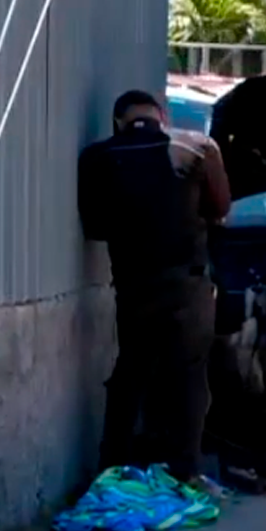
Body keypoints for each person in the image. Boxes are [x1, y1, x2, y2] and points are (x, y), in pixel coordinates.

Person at [77, 90, 231, 493]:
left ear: (118, 122)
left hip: (134, 283)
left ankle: (110, 469)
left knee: (131, 372)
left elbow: (94, 226)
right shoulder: (198, 147)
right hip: (189, 282)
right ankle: (185, 472)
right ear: (162, 117)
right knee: (190, 375)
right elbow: (221, 209)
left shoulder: (96, 158)